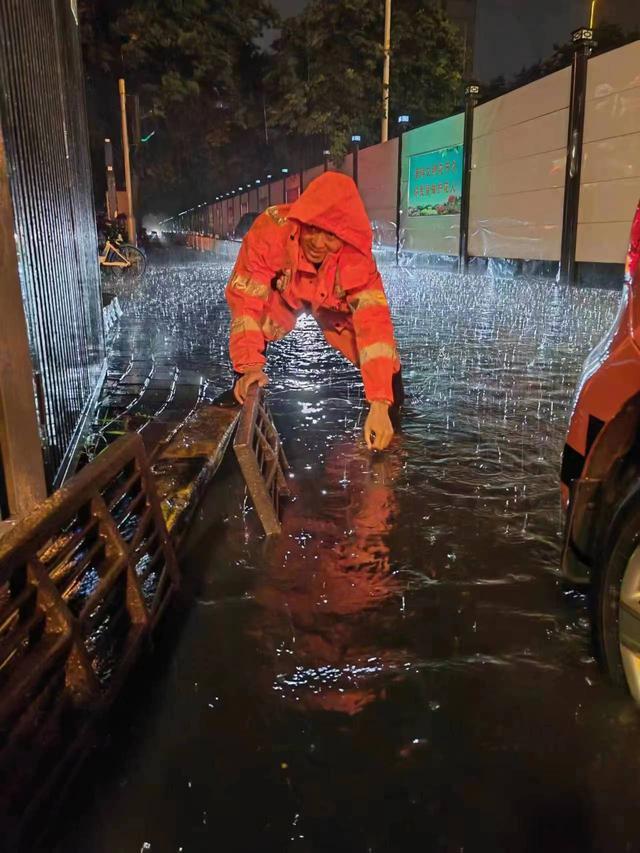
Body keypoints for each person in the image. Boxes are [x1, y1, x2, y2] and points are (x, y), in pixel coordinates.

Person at [225, 171, 402, 450]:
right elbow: (246, 301)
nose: (318, 244)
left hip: (334, 308)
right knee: (248, 364)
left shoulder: (356, 255)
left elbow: (373, 325)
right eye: (314, 228)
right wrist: (249, 367)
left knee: (385, 366)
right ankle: (241, 423)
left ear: (345, 235)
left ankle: (391, 429)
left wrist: (380, 402)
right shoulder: (271, 231)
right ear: (302, 219)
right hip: (282, 299)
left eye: (331, 235)